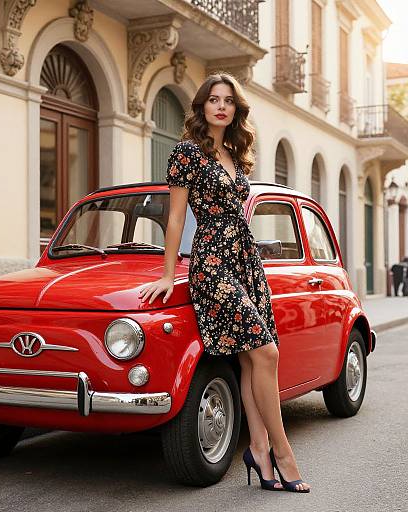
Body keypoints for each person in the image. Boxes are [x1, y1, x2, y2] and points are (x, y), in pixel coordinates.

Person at [139, 72, 310, 493]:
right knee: (266, 353)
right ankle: (282, 452)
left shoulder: (236, 152)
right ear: (201, 106)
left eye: (228, 101)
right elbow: (176, 217)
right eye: (213, 99)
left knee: (252, 360)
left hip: (246, 262)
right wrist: (167, 273)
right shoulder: (186, 153)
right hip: (213, 264)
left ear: (235, 109)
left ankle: (257, 449)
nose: (221, 106)